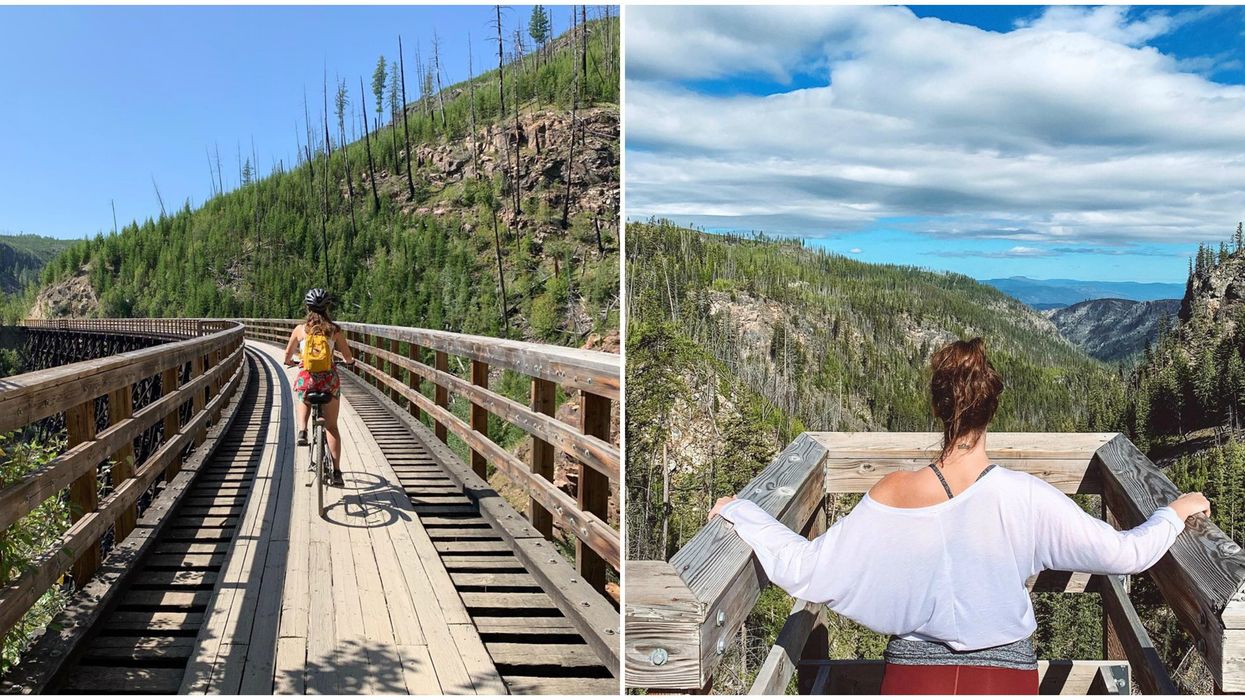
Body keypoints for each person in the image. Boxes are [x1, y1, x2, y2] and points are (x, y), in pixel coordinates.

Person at [709, 337, 1210, 695]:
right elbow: (1125, 554)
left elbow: (806, 568)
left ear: (936, 408)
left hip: (913, 678)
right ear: (992, 410)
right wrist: (1173, 511)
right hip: (1004, 680)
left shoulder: (893, 493)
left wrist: (744, 514)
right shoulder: (1026, 496)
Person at [283, 288, 356, 487]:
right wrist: (349, 361)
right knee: (332, 427)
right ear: (327, 308)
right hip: (329, 381)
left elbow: (287, 356)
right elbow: (348, 356)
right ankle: (338, 473)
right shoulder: (334, 330)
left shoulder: (300, 330)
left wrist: (291, 361)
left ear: (308, 308)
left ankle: (303, 430)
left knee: (302, 393)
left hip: (308, 378)